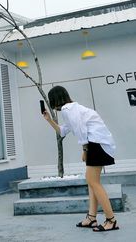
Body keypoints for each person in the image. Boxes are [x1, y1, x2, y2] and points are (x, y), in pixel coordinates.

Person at [42, 85, 119, 232]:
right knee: (92, 182)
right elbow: (63, 131)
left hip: (96, 144)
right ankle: (92, 218)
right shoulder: (72, 109)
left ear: (55, 99)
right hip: (98, 143)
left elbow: (81, 129)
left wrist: (85, 149)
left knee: (93, 182)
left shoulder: (68, 110)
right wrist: (49, 120)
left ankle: (111, 220)